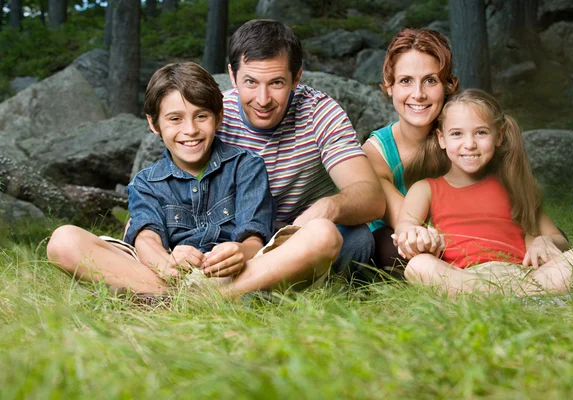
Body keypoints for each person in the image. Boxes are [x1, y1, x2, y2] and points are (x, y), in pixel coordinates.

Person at [46, 62, 341, 299]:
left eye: (201, 116)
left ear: (219, 117)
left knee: (324, 234)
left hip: (238, 271)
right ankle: (179, 295)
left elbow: (254, 237)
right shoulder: (146, 182)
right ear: (154, 123)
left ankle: (205, 297)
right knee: (63, 240)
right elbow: (145, 237)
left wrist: (238, 252)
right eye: (175, 119)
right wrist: (167, 262)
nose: (190, 130)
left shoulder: (246, 166)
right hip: (165, 273)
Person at [217, 19, 385, 278]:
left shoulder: (320, 112)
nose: (262, 100)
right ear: (232, 76)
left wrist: (329, 207)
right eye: (250, 82)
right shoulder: (214, 115)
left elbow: (373, 199)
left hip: (304, 232)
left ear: (296, 78)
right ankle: (272, 282)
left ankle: (253, 283)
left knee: (358, 241)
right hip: (236, 233)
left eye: (276, 83)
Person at [393, 88, 573, 296]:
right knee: (419, 266)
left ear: (498, 136)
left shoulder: (513, 185)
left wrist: (544, 241)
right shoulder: (426, 188)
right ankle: (521, 297)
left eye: (481, 132)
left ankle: (495, 297)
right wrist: (416, 237)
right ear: (442, 139)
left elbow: (559, 239)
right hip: (462, 276)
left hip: (522, 274)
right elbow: (404, 228)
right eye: (457, 134)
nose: (470, 144)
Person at [362, 28, 458, 273]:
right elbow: (407, 223)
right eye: (406, 81)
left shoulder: (463, 140)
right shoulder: (375, 152)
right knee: (389, 246)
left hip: (456, 236)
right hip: (402, 242)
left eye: (430, 80)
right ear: (389, 86)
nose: (418, 94)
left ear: (447, 85)